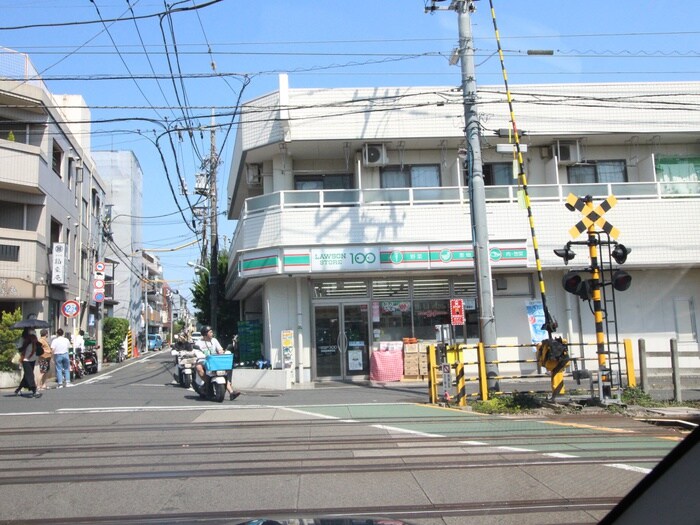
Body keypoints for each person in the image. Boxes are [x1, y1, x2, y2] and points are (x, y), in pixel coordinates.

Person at [194, 326, 240, 401]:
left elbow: (220, 349)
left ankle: (231, 392)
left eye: (212, 332)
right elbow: (197, 352)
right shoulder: (199, 342)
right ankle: (206, 383)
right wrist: (201, 355)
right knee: (198, 367)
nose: (212, 333)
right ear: (205, 334)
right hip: (204, 360)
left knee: (223, 373)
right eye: (210, 332)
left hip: (214, 360)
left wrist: (222, 352)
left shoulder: (214, 340)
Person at [14, 329, 40, 397]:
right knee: (30, 375)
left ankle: (18, 389)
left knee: (27, 375)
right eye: (31, 330)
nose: (32, 331)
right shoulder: (22, 339)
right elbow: (20, 349)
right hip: (25, 359)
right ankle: (34, 390)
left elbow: (38, 346)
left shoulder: (34, 338)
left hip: (33, 358)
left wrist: (36, 343)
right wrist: (27, 343)